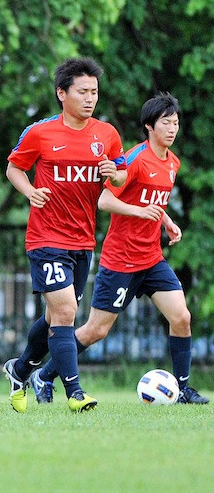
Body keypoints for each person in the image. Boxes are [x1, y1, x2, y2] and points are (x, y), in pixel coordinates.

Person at [29, 93, 208, 405]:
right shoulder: (135, 159)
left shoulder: (172, 163)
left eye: (176, 123)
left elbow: (152, 199)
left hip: (151, 258)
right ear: (150, 126)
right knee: (95, 331)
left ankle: (183, 389)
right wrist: (140, 212)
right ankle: (43, 375)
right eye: (166, 123)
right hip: (120, 260)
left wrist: (166, 220)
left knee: (181, 317)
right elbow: (105, 200)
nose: (172, 129)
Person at [2, 57, 126, 413]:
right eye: (82, 92)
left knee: (56, 316)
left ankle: (21, 368)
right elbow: (14, 168)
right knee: (67, 310)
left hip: (83, 241)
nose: (90, 98)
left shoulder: (107, 135)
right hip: (45, 238)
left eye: (95, 92)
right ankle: (74, 393)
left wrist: (113, 174)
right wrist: (29, 192)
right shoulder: (40, 132)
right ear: (62, 93)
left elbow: (119, 178)